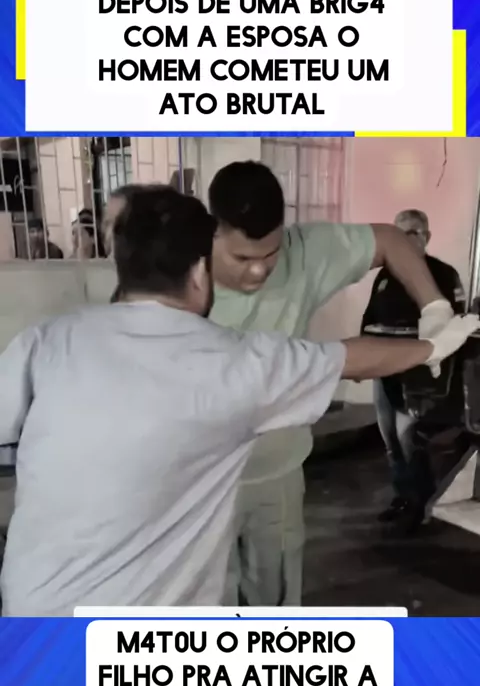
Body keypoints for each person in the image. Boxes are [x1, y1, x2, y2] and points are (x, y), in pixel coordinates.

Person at [0, 185, 475, 616]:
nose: (258, 270)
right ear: (200, 269)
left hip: (32, 619)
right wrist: (433, 345)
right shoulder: (238, 364)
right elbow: (350, 358)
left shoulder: (43, 342)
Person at [207, 161, 459, 607]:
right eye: (242, 258)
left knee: (275, 604)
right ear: (213, 233)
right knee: (205, 610)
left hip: (277, 474)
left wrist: (435, 307)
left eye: (270, 255)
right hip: (201, 481)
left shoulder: (304, 252)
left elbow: (389, 238)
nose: (258, 272)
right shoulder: (180, 270)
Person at [361, 209, 466, 533]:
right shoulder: (385, 276)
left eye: (411, 233)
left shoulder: (443, 274)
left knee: (410, 441)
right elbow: (368, 319)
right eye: (398, 234)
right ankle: (402, 497)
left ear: (426, 236)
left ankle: (422, 505)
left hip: (418, 375)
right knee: (390, 440)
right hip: (385, 372)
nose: (403, 241)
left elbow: (455, 324)